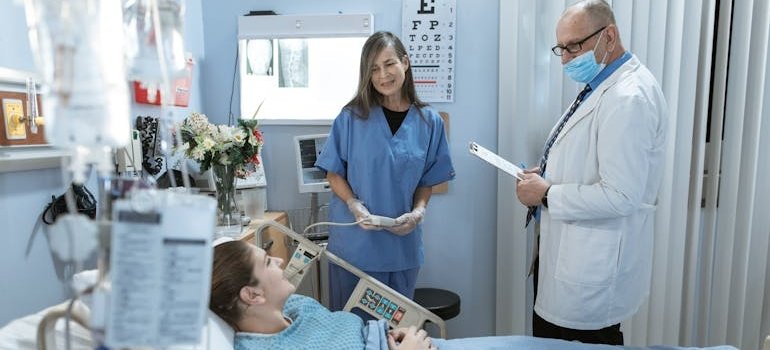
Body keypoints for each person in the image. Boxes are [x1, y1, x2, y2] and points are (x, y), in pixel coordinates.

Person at [515, 0, 668, 345]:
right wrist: (549, 173)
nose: (566, 58)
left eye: (574, 46)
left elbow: (622, 195)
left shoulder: (629, 97)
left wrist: (546, 193)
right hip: (570, 258)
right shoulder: (603, 86)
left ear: (609, 36)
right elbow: (590, 161)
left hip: (589, 272)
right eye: (561, 49)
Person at [314, 31, 455, 311]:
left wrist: (419, 212)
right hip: (355, 247)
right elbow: (333, 173)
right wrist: (353, 205)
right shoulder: (350, 117)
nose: (382, 75)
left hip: (402, 249)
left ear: (405, 62)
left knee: (394, 333)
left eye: (389, 64)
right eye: (374, 69)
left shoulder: (429, 122)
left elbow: (427, 180)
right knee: (352, 333)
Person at [209, 240, 435, 350]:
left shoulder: (294, 306)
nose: (279, 260)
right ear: (253, 295)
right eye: (268, 262)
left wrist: (388, 334)